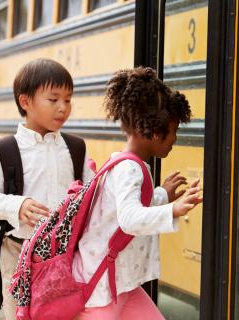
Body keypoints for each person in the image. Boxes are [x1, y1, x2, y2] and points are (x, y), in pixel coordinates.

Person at [72, 67, 202, 319]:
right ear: (154, 132)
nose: (175, 138)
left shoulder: (126, 163)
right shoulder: (130, 168)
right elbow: (129, 217)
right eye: (173, 130)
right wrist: (172, 209)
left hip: (122, 284)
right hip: (102, 290)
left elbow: (128, 206)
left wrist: (162, 194)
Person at [0, 58, 95, 319]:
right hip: (17, 255)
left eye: (68, 99)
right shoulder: (6, 150)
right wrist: (17, 205)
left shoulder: (75, 149)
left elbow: (95, 198)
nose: (63, 108)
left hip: (64, 259)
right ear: (26, 102)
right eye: (53, 99)